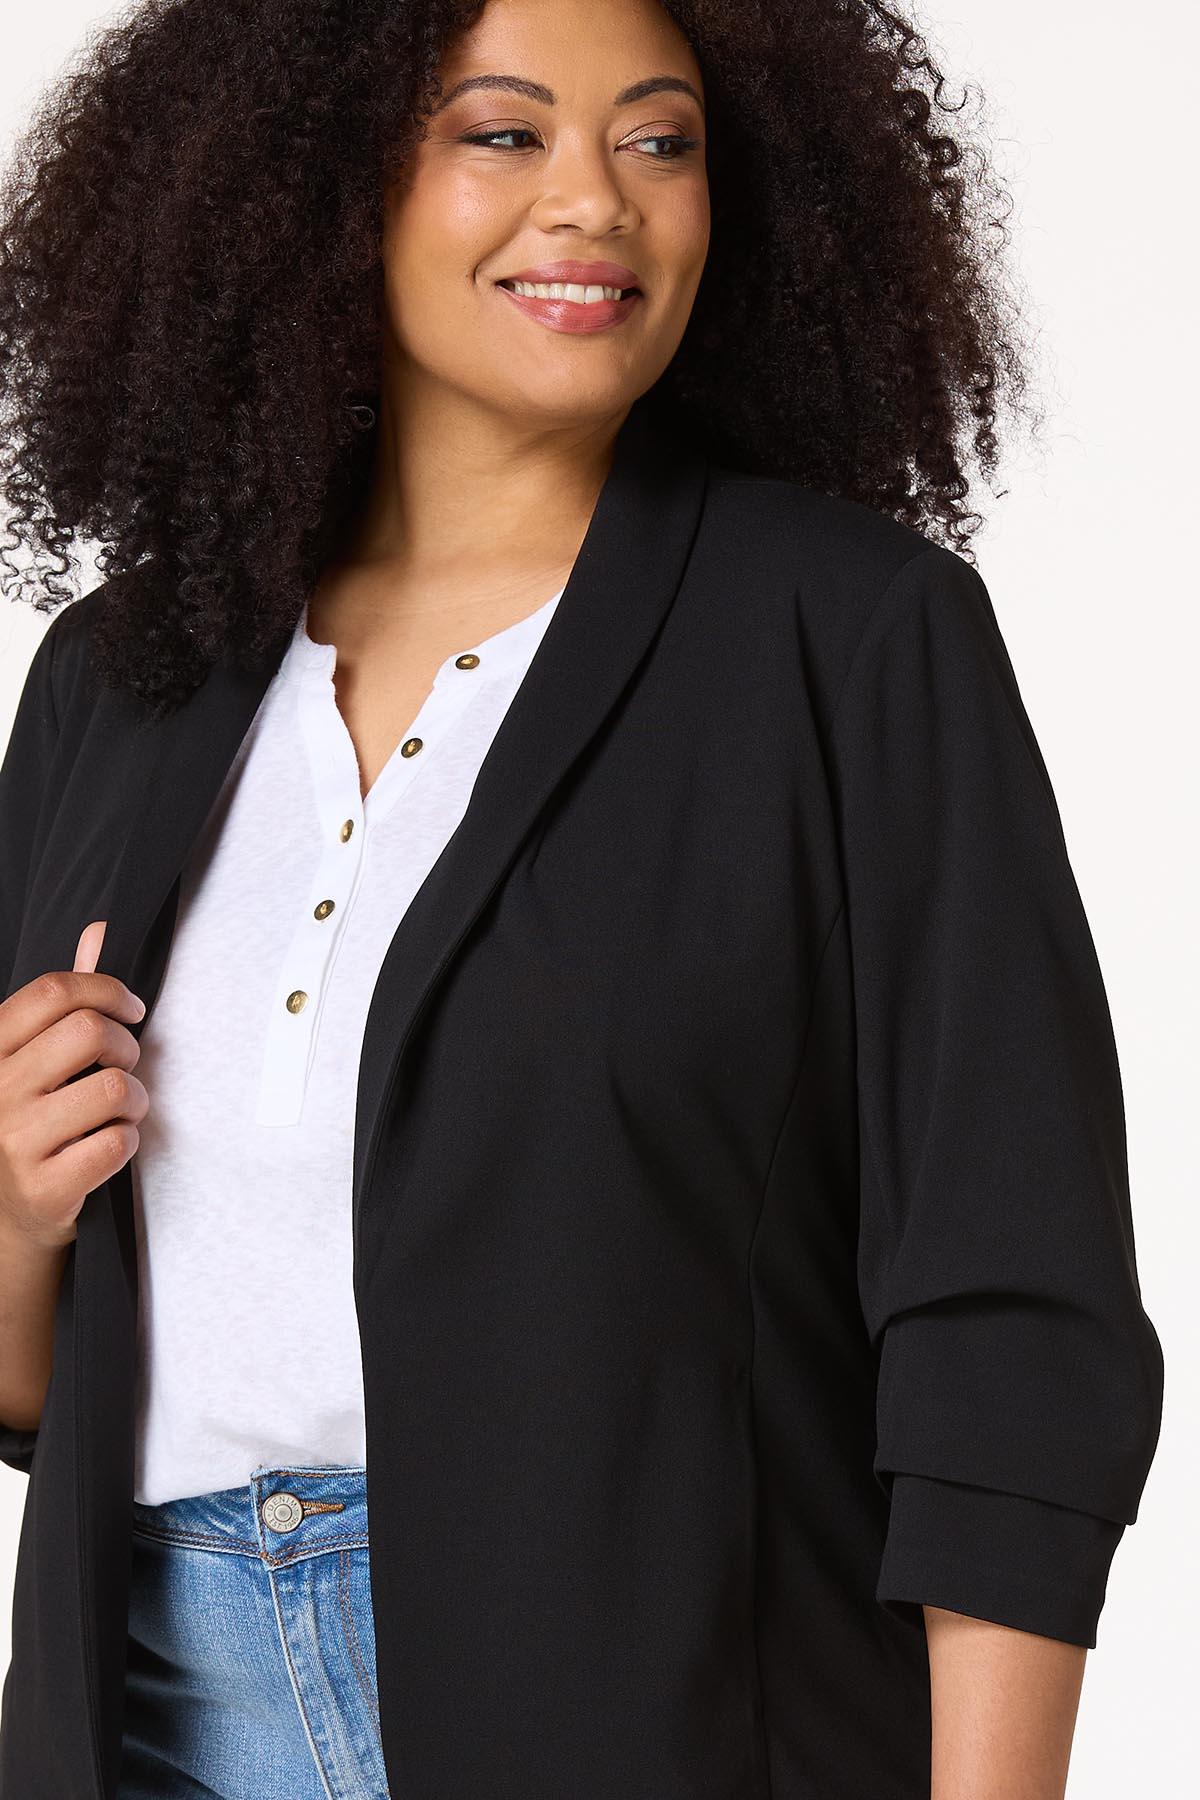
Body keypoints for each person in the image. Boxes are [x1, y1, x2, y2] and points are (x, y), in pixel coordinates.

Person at [0, 0, 1164, 1796]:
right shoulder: (123, 677)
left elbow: (1011, 1324)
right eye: (504, 132)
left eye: (659, 140)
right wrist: (18, 1213)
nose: (596, 200)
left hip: (660, 1721)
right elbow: (40, 1396)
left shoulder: (847, 637)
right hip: (157, 1720)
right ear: (317, 180)